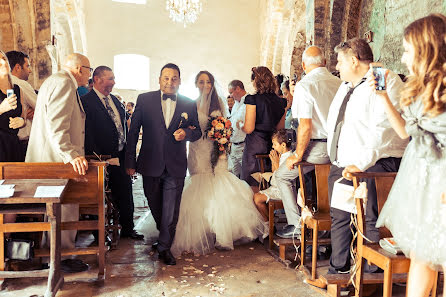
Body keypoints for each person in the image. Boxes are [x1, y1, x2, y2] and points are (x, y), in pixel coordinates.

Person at [374, 14, 446, 297]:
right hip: (419, 178)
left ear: (426, 48)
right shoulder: (419, 87)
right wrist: (383, 98)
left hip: (440, 178)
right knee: (421, 253)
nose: (403, 58)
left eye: (407, 50)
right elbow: (405, 132)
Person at [326, 38, 407, 275]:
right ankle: (338, 273)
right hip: (344, 164)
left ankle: (372, 278)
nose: (337, 67)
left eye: (340, 61)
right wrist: (337, 160)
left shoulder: (384, 79)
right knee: (340, 217)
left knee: (371, 220)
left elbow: (384, 131)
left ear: (354, 60)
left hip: (374, 165)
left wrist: (360, 165)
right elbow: (337, 124)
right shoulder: (345, 86)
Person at [170, 70, 264, 256]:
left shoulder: (219, 103)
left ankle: (222, 234)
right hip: (197, 149)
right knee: (199, 186)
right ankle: (201, 232)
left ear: (213, 85)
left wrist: (222, 135)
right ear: (196, 84)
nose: (205, 85)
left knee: (220, 184)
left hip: (216, 150)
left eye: (208, 82)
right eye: (201, 82)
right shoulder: (190, 104)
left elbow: (225, 124)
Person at [125, 63, 201, 265]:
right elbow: (133, 133)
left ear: (180, 81)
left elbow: (198, 131)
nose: (170, 82)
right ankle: (163, 235)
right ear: (159, 80)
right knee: (154, 203)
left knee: (170, 210)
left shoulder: (188, 103)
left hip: (175, 165)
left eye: (174, 78)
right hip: (150, 163)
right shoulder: (145, 99)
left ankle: (165, 247)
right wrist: (130, 161)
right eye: (166, 78)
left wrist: (187, 133)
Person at [26, 53, 91, 273]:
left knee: (57, 211)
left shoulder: (53, 81)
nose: (89, 76)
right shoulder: (64, 83)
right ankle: (59, 258)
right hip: (56, 161)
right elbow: (57, 125)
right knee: (64, 209)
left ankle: (53, 256)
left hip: (50, 158)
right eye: (89, 70)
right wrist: (71, 155)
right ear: (80, 69)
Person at [274, 46, 342, 239]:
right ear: (326, 62)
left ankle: (296, 224)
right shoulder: (339, 83)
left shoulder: (305, 85)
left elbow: (305, 126)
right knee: (318, 180)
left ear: (304, 65)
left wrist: (297, 155)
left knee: (283, 175)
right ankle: (324, 224)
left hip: (318, 148)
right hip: (339, 148)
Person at [81, 66, 143, 240]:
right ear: (98, 79)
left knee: (125, 193)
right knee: (98, 197)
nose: (114, 82)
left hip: (120, 155)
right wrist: (99, 158)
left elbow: (121, 126)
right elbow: (88, 133)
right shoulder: (86, 102)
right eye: (111, 78)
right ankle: (99, 234)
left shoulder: (114, 101)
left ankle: (128, 229)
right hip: (100, 158)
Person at [241, 66, 287, 193]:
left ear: (256, 81)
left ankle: (255, 210)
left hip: (255, 144)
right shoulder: (281, 102)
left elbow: (249, 128)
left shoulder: (252, 99)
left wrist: (241, 126)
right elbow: (280, 129)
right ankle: (267, 209)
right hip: (272, 145)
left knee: (252, 182)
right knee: (269, 180)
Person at [253, 129, 292, 225]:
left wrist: (275, 163)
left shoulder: (288, 157)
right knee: (252, 193)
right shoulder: (281, 155)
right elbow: (274, 174)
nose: (272, 147)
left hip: (283, 190)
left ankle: (269, 224)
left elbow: (279, 178)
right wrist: (274, 163)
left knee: (257, 198)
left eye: (274, 144)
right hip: (276, 186)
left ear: (283, 145)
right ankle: (269, 222)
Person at [6, 50, 37, 159]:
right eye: (27, 66)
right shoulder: (20, 84)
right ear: (18, 67)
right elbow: (41, 107)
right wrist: (36, 111)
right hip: (21, 142)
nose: (30, 70)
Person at [0, 51, 24, 162]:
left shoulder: (17, 89)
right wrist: (2, 108)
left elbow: (23, 115)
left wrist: (21, 121)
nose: (2, 62)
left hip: (14, 144)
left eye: (4, 59)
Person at [227, 79, 247, 178]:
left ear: (238, 89)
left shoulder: (249, 102)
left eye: (231, 92)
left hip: (243, 145)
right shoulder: (235, 104)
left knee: (244, 176)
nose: (230, 96)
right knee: (233, 177)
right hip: (233, 146)